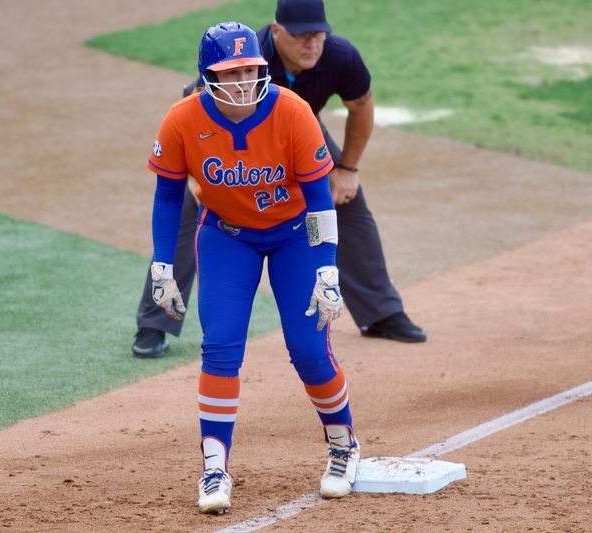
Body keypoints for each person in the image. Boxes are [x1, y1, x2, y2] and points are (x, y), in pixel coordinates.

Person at [146, 21, 361, 513]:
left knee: (308, 350)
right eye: (232, 71)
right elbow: (167, 192)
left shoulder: (292, 111)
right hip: (228, 237)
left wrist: (327, 269)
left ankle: (343, 446)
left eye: (251, 69)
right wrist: (162, 263)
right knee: (220, 347)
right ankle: (215, 469)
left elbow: (319, 198)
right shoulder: (182, 119)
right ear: (207, 76)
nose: (244, 80)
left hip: (294, 239)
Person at [132, 0, 426, 358]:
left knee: (346, 202)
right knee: (185, 212)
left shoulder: (340, 57)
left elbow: (361, 106)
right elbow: (198, 103)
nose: (312, 44)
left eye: (318, 34)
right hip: (223, 142)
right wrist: (210, 179)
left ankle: (381, 312)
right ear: (276, 31)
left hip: (296, 132)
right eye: (302, 35)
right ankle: (154, 322)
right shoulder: (246, 57)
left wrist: (347, 169)